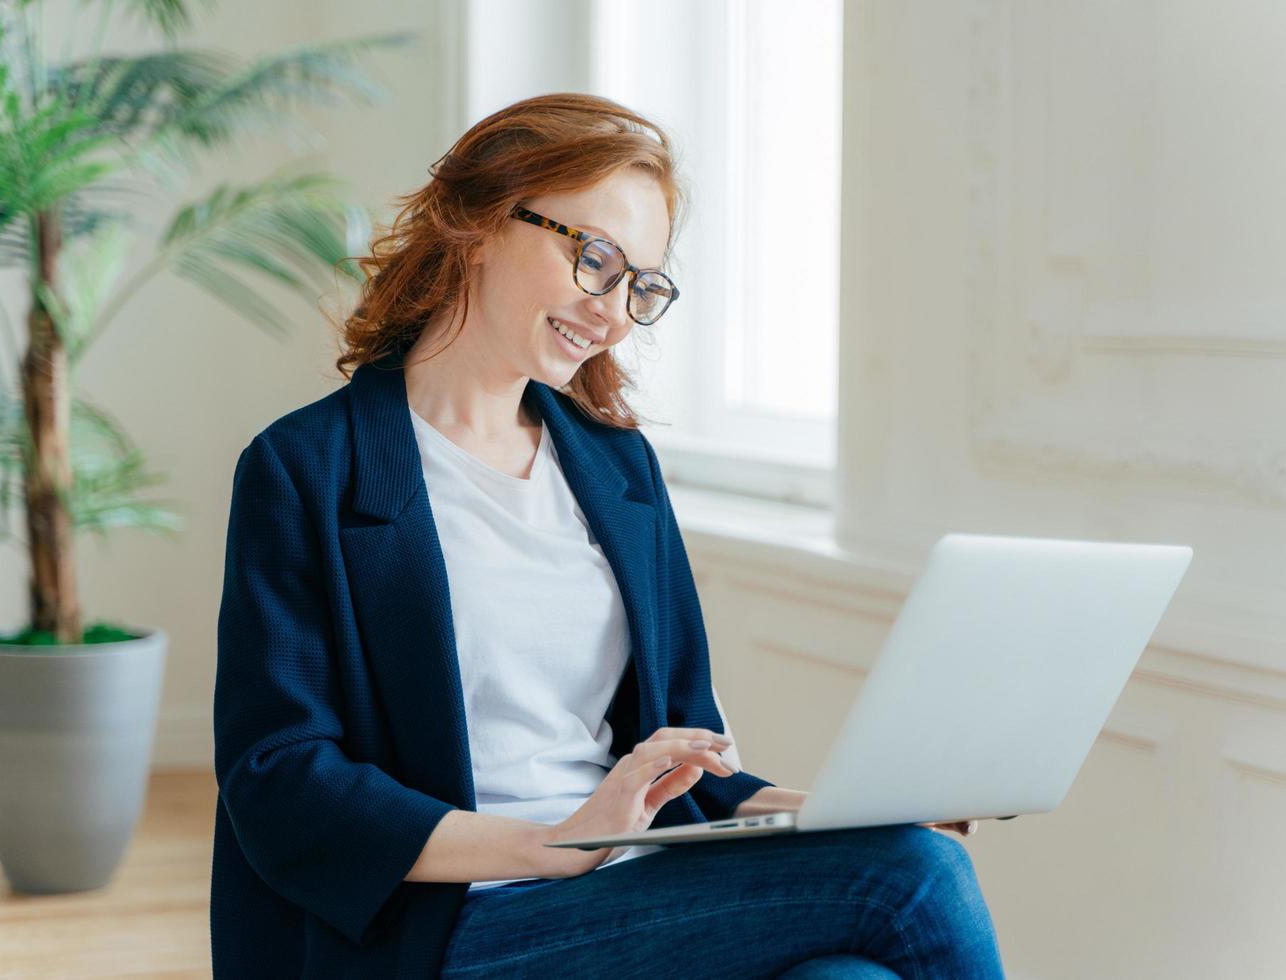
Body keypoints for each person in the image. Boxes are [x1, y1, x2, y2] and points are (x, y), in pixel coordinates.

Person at [211, 92, 1006, 979]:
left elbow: (683, 765)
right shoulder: (309, 466)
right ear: (473, 220)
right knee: (914, 876)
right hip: (451, 920)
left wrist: (837, 815)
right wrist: (553, 842)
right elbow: (280, 781)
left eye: (641, 283)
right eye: (595, 258)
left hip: (627, 893)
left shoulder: (617, 470)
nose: (616, 309)